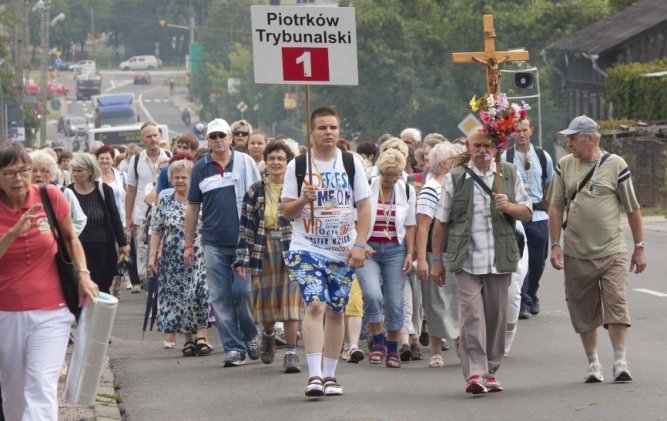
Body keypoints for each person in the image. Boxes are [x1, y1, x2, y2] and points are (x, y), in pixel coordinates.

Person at [0, 142, 99, 420]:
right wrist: (14, 232)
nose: (18, 179)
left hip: (52, 311)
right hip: (6, 313)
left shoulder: (50, 196)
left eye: (24, 171)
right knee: (15, 394)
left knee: (41, 384)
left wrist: (83, 274)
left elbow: (70, 238)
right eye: (9, 173)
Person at [431, 127, 532, 394]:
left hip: (499, 258)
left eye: (487, 145)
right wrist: (436, 260)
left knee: (496, 316)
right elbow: (441, 222)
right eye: (477, 145)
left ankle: (491, 370)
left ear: (496, 147)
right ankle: (475, 372)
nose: (482, 150)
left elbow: (527, 211)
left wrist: (508, 206)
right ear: (468, 145)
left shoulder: (508, 172)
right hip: (466, 258)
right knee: (472, 315)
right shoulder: (456, 177)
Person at [548, 115, 646, 383]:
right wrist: (555, 244)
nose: (568, 143)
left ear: (589, 138)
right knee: (584, 308)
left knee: (616, 303)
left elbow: (633, 208)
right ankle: (593, 364)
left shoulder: (616, 165)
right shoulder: (564, 166)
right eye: (567, 138)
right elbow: (555, 206)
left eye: (573, 138)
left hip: (612, 250)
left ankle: (620, 361)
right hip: (576, 252)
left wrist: (639, 246)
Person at [281, 107, 371, 397]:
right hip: (306, 248)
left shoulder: (351, 163)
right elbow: (286, 211)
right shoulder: (297, 166)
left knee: (336, 310)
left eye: (333, 127)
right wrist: (303, 199)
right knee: (316, 304)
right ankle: (315, 375)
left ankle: (331, 376)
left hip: (342, 251)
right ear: (312, 132)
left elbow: (365, 207)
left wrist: (359, 244)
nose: (329, 132)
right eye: (322, 128)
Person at [184, 118, 261, 367]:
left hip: (243, 241)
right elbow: (193, 207)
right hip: (213, 242)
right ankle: (234, 348)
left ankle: (250, 333)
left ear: (230, 138)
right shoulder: (200, 167)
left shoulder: (246, 162)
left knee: (243, 292)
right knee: (219, 297)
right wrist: (188, 244)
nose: (218, 141)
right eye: (213, 137)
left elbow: (259, 199)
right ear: (207, 141)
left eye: (222, 136)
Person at [234, 141, 303, 373]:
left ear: (288, 162)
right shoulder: (254, 191)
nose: (275, 163)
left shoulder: (297, 190)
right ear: (266, 161)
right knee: (267, 305)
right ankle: (268, 334)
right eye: (272, 158)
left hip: (291, 249)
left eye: (280, 159)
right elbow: (244, 228)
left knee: (291, 304)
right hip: (262, 250)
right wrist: (242, 258)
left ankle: (291, 354)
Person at [355, 149, 416, 368]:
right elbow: (356, 217)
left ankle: (393, 348)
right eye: (386, 175)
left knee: (394, 301)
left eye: (395, 175)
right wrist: (361, 243)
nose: (390, 180)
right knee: (372, 295)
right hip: (369, 250)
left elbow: (410, 225)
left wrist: (410, 253)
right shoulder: (367, 187)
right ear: (379, 171)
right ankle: (377, 341)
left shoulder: (407, 190)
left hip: (395, 250)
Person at [148, 159, 210, 355]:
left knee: (200, 295)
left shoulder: (201, 199)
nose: (181, 181)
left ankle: (201, 335)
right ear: (171, 180)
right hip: (173, 260)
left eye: (184, 177)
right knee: (181, 299)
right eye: (177, 177)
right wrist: (152, 257)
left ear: (192, 179)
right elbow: (157, 230)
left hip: (199, 256)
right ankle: (189, 340)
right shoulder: (165, 200)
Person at [415, 142, 460, 368]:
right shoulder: (431, 188)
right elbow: (423, 226)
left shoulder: (457, 185)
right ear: (445, 163)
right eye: (455, 159)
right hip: (437, 252)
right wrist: (423, 259)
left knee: (458, 300)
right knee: (436, 301)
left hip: (457, 251)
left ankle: (461, 343)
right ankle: (436, 351)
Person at [503, 116, 554, 319]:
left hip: (539, 214)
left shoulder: (542, 156)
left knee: (538, 261)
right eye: (517, 131)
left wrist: (546, 206)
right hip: (516, 215)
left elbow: (549, 182)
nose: (521, 134)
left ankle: (532, 293)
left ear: (531, 130)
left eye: (524, 130)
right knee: (520, 261)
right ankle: (523, 301)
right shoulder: (506, 156)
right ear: (512, 133)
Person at [69, 153, 130, 294]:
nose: (75, 174)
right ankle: (85, 316)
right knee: (80, 288)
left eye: (79, 170)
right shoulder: (68, 192)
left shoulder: (103, 190)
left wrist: (122, 243)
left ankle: (102, 315)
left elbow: (114, 218)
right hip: (78, 248)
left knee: (102, 288)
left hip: (102, 248)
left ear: (90, 171)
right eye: (74, 171)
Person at [125, 123, 171, 293]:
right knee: (145, 261)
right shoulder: (136, 161)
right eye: (148, 136)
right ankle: (151, 294)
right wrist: (128, 218)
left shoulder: (169, 157)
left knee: (164, 258)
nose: (153, 139)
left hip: (167, 217)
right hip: (143, 219)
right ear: (142, 139)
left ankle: (162, 294)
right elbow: (130, 191)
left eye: (155, 135)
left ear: (159, 137)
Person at [29, 150, 87, 236]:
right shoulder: (22, 195)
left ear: (52, 173)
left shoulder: (64, 192)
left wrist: (62, 235)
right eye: (33, 171)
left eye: (43, 171)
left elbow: (80, 220)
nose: (38, 174)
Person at [95, 146, 127, 297]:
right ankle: (108, 283)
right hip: (103, 222)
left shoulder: (121, 176)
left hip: (120, 219)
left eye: (107, 158)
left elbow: (126, 197)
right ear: (97, 160)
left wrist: (129, 217)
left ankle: (116, 284)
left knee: (121, 252)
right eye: (101, 158)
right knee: (109, 254)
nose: (104, 161)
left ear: (113, 159)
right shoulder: (94, 178)